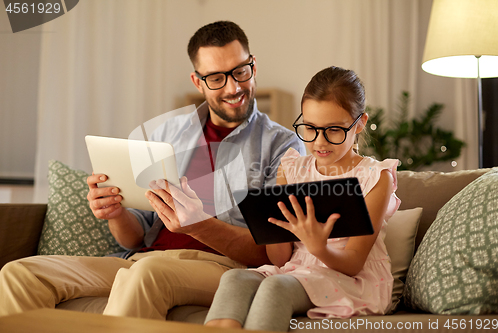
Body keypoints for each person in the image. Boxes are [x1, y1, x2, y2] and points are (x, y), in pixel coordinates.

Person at [0, 21, 305, 319]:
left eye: (240, 71)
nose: (233, 87)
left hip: (224, 267)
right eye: (216, 78)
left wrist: (197, 224)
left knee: (148, 273)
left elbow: (270, 252)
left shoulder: (282, 146)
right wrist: (116, 212)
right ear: (197, 81)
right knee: (20, 273)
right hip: (143, 259)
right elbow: (135, 237)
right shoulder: (166, 134)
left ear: (253, 64)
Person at [204, 66, 401, 331]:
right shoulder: (292, 168)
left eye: (333, 130)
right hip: (297, 270)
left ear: (360, 123)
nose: (319, 142)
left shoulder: (376, 177)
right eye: (310, 128)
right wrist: (272, 226)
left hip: (351, 280)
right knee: (234, 279)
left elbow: (354, 263)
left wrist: (319, 246)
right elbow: (280, 259)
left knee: (276, 287)